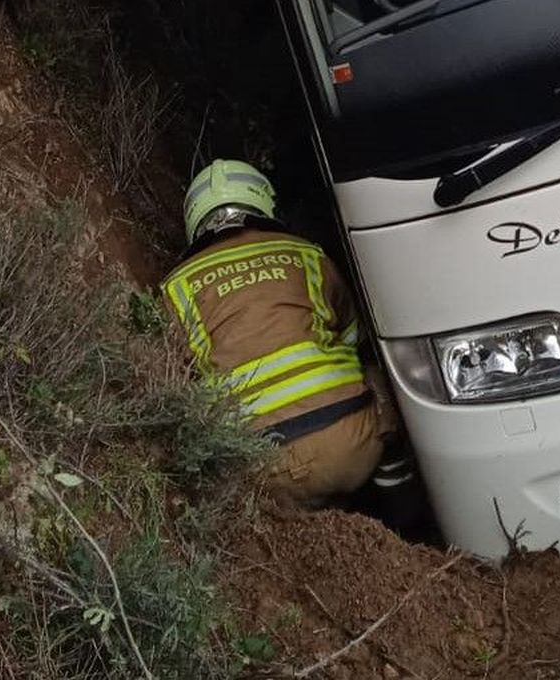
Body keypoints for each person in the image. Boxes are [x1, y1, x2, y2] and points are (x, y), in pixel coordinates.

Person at [160, 160, 406, 505]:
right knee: (378, 371)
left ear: (194, 217)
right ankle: (396, 499)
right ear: (262, 201)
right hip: (351, 450)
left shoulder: (176, 288)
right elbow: (355, 338)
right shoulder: (306, 254)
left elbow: (176, 381)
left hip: (257, 472)